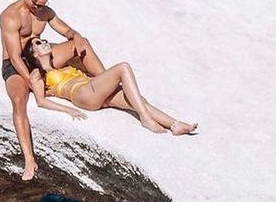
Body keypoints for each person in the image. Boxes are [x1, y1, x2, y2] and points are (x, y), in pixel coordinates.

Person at [0, 0, 104, 181]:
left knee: (81, 44)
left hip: (40, 56)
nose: (39, 7)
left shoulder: (44, 12)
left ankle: (104, 80)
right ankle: (29, 159)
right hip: (17, 65)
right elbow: (14, 57)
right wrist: (33, 82)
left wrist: (77, 36)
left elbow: (66, 30)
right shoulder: (10, 17)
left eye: (43, 4)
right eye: (36, 3)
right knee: (19, 101)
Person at [25, 36, 197, 136]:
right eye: (38, 43)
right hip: (82, 94)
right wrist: (68, 110)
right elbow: (41, 101)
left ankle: (175, 125)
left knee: (137, 99)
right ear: (33, 54)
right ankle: (145, 119)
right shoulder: (37, 74)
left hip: (92, 88)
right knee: (123, 67)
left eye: (44, 40)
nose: (44, 42)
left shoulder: (63, 63)